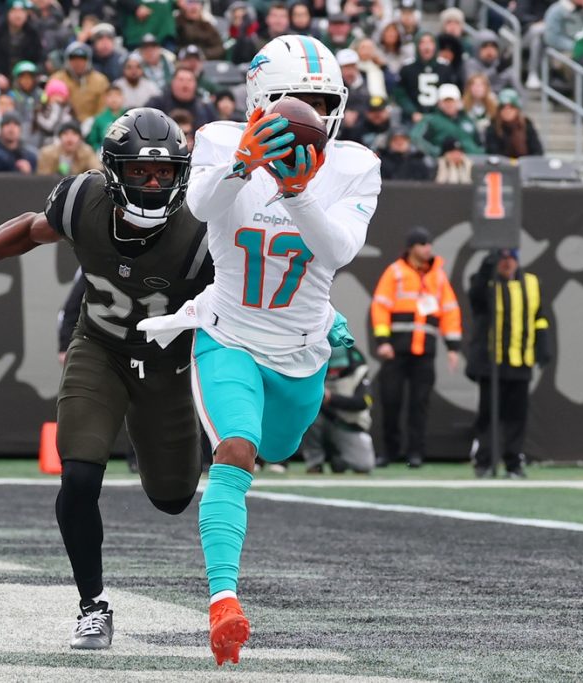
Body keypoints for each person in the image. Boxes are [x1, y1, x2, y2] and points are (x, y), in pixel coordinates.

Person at [0, 108, 214, 650]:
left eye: (163, 173)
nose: (153, 185)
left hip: (166, 365)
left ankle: (155, 434)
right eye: (139, 172)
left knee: (174, 497)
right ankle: (93, 606)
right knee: (79, 479)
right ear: (114, 171)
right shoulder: (84, 198)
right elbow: (31, 231)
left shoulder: (202, 226)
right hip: (99, 349)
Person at [136, 34, 380, 667]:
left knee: (278, 446)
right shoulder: (220, 140)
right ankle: (223, 601)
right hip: (230, 332)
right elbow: (197, 204)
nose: (311, 112)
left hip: (302, 347)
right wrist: (243, 165)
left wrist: (298, 193)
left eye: (322, 100)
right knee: (236, 451)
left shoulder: (355, 164)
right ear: (261, 101)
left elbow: (337, 253)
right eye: (298, 99)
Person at [370, 226, 461, 469]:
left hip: (424, 353)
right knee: (391, 402)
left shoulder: (438, 277)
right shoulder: (395, 272)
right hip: (396, 351)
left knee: (419, 404)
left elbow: (450, 311)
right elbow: (380, 306)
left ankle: (415, 454)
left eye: (429, 244)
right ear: (411, 248)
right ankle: (389, 452)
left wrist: (453, 347)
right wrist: (383, 341)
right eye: (423, 244)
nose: (428, 248)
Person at [465, 249, 551, 479]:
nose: (507, 263)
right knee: (488, 415)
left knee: (517, 417)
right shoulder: (487, 283)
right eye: (502, 259)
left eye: (511, 258)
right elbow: (475, 298)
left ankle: (514, 463)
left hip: (521, 361)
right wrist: (485, 267)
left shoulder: (532, 283)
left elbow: (540, 316)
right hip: (492, 363)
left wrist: (543, 347)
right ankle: (484, 461)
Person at [300, 344, 374, 474]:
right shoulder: (316, 371)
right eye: (332, 367)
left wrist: (331, 398)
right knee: (309, 415)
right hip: (323, 420)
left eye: (339, 367)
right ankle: (315, 463)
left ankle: (340, 459)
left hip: (348, 424)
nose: (335, 372)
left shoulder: (359, 372)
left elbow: (362, 402)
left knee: (364, 465)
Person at [485, 89, 544, 158]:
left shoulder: (526, 125)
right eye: (503, 108)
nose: (507, 111)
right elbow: (493, 152)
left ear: (517, 110)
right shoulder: (493, 127)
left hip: (525, 165)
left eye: (511, 108)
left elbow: (537, 150)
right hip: (502, 166)